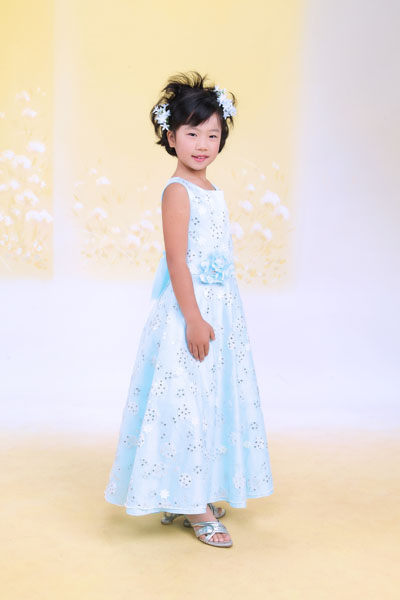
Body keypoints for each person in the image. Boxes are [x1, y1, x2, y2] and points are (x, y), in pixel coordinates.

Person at [104, 71, 274, 548]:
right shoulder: (178, 191)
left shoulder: (211, 189)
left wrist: (216, 316)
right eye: (192, 133)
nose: (202, 145)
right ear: (170, 137)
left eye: (212, 135)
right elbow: (177, 260)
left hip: (220, 310)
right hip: (189, 310)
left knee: (208, 400)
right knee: (185, 404)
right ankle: (192, 506)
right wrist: (194, 319)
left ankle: (187, 491)